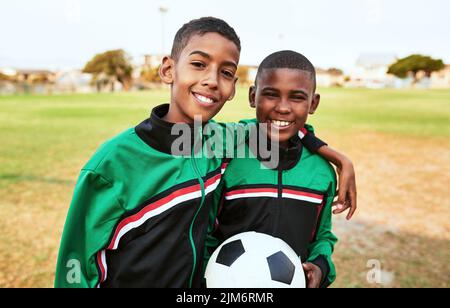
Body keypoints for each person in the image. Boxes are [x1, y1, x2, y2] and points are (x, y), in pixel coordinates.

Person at [55, 17, 355, 288]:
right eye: (199, 64)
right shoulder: (115, 161)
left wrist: (336, 157)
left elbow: (277, 125)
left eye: (225, 72)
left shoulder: (221, 142)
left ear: (233, 87)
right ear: (168, 69)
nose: (212, 80)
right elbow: (75, 262)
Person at [206, 50, 343, 288]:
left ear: (313, 103)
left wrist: (320, 266)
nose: (282, 108)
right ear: (252, 96)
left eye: (297, 97)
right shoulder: (228, 159)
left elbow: (322, 237)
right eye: (270, 95)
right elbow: (205, 231)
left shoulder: (322, 172)